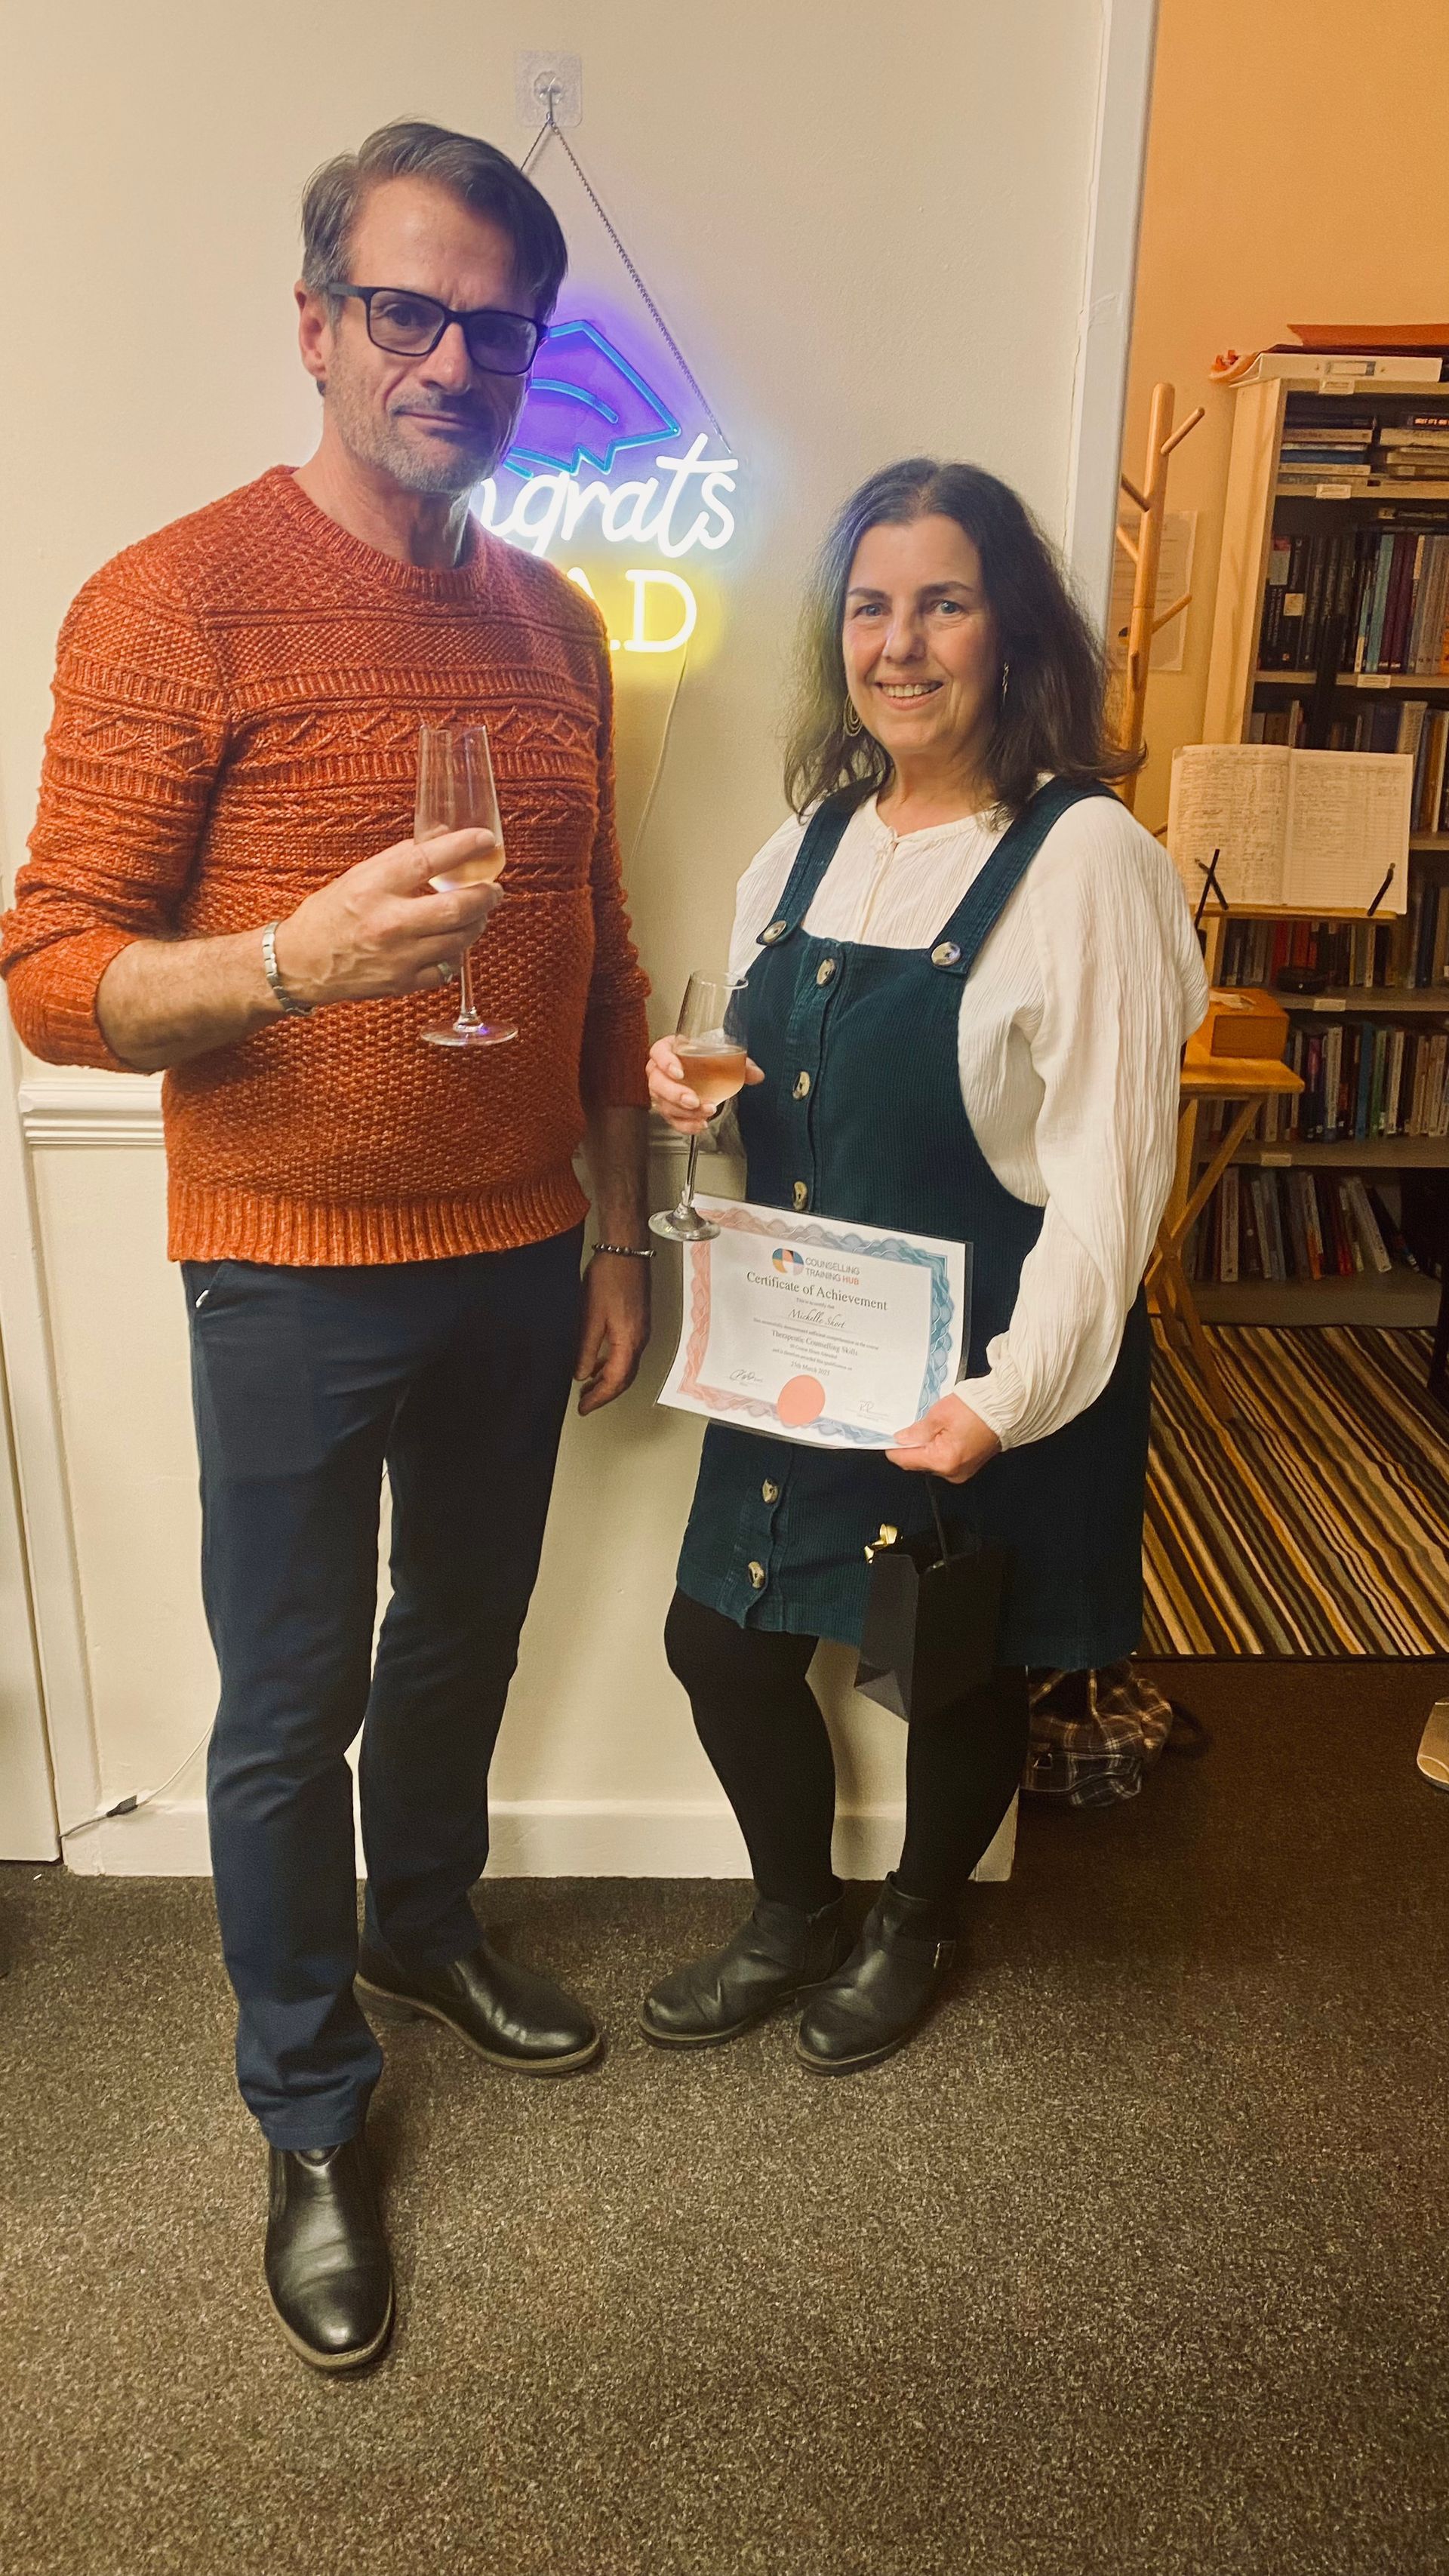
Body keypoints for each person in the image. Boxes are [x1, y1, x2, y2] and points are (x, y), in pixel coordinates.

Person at [0, 121, 654, 2371]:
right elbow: (52, 973)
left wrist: (623, 1223)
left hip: (518, 1248)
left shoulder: (558, 618)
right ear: (318, 323)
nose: (455, 352)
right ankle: (307, 2105)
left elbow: (601, 955)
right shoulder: (167, 598)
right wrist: (285, 958)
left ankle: (425, 1922)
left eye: (499, 322)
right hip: (281, 1256)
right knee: (291, 1697)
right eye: (410, 306)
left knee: (459, 1631)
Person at [643, 458, 1208, 2075]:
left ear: (1009, 631)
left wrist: (1008, 1402)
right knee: (720, 1636)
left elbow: (1111, 1190)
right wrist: (704, 1073)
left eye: (944, 603)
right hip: (803, 1343)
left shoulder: (1089, 860)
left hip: (988, 1358)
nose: (903, 643)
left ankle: (914, 1919)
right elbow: (784, 1052)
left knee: (942, 1665)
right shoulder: (811, 837)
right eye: (873, 606)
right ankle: (789, 1911)